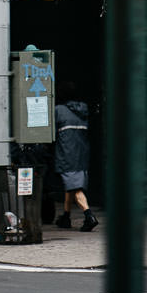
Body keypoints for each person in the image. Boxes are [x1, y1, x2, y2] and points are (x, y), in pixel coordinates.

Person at [54, 99, 96, 231]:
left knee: (76, 188)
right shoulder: (83, 112)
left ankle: (89, 216)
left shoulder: (59, 111)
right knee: (71, 186)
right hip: (81, 154)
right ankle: (66, 217)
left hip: (67, 154)